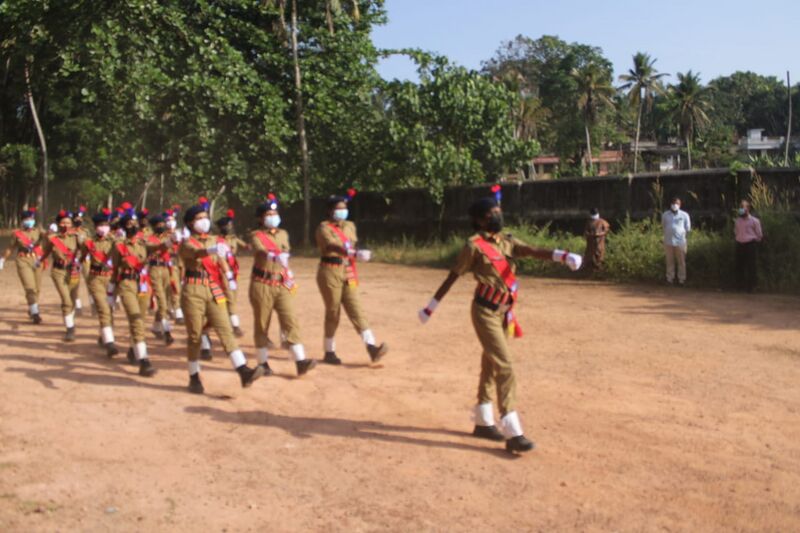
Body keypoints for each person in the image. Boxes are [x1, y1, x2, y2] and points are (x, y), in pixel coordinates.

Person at [418, 194, 582, 453]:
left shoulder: (505, 241)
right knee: (505, 365)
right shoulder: (473, 246)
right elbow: (453, 275)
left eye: (498, 210)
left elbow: (530, 251)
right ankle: (512, 430)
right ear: (480, 220)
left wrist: (561, 255)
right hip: (484, 312)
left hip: (503, 312)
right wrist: (432, 306)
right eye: (492, 212)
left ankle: (483, 421)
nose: (498, 215)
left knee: (491, 364)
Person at [178, 197, 263, 394]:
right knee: (194, 337)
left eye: (205, 217)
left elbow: (221, 260)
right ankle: (194, 377)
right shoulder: (186, 243)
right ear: (190, 222)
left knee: (225, 329)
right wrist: (212, 249)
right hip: (193, 290)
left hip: (213, 288)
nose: (204, 221)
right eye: (199, 218)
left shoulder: (216, 240)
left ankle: (243, 371)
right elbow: (197, 253)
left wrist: (229, 275)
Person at [315, 189, 387, 365]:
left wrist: (357, 252)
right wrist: (352, 252)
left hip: (347, 269)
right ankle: (329, 351)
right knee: (333, 311)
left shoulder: (350, 226)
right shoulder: (323, 228)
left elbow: (351, 243)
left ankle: (371, 346)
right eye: (339, 208)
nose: (343, 211)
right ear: (330, 211)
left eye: (345, 208)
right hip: (329, 271)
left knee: (356, 308)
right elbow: (332, 245)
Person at [249, 194, 316, 377]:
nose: (273, 217)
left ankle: (300, 361)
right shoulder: (256, 235)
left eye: (275, 213)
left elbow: (286, 252)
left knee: (290, 320)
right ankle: (263, 363)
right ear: (261, 218)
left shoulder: (284, 234)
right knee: (262, 324)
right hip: (262, 283)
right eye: (269, 214)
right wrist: (273, 255)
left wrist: (287, 269)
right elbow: (260, 250)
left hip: (281, 282)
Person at [108, 206, 159, 377]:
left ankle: (133, 349)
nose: (133, 226)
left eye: (135, 223)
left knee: (141, 320)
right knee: (136, 319)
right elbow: (115, 268)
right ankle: (144, 361)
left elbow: (158, 249)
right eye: (129, 223)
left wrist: (170, 242)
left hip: (143, 284)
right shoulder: (118, 245)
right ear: (124, 226)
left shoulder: (144, 242)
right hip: (126, 283)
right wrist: (111, 291)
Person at [81, 208, 120, 358]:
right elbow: (83, 257)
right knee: (103, 308)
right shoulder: (88, 242)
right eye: (101, 224)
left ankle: (103, 334)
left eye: (106, 224)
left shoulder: (115, 241)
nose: (104, 227)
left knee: (109, 309)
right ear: (95, 227)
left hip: (111, 278)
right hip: (95, 278)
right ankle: (110, 343)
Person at [41, 210, 83, 341]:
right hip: (58, 271)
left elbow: (85, 250)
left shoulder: (76, 237)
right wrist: (39, 261)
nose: (66, 225)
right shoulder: (52, 239)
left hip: (73, 272)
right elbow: (46, 251)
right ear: (58, 224)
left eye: (68, 222)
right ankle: (70, 329)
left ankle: (70, 319)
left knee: (72, 299)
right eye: (63, 222)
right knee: (66, 300)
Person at [0, 206, 45, 324]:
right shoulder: (17, 234)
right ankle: (35, 313)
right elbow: (10, 248)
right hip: (23, 260)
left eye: (31, 218)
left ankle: (32, 307)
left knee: (37, 288)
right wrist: (3, 260)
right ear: (23, 220)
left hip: (37, 260)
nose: (30, 220)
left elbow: (49, 239)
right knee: (29, 286)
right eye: (27, 219)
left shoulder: (38, 231)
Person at [216, 209, 248, 337]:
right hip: (222, 271)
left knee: (233, 297)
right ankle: (235, 326)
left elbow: (245, 246)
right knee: (229, 297)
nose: (229, 228)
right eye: (226, 226)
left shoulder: (233, 238)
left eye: (230, 225)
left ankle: (224, 320)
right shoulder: (217, 240)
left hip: (233, 270)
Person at [146, 213, 176, 346]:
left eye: (162, 224)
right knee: (162, 301)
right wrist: (169, 243)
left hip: (167, 269)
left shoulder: (168, 237)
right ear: (153, 227)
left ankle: (156, 327)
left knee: (168, 300)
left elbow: (175, 250)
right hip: (155, 269)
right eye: (158, 225)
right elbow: (155, 248)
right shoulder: (149, 239)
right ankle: (167, 332)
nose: (161, 226)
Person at [734, 200, 763, 292]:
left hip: (750, 244)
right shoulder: (737, 221)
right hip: (740, 244)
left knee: (751, 266)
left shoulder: (755, 221)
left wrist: (753, 241)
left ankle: (752, 287)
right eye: (740, 207)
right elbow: (736, 232)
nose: (741, 209)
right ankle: (739, 286)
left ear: (748, 209)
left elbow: (759, 234)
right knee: (739, 266)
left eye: (743, 207)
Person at [661, 197, 691, 286]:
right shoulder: (665, 215)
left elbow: (687, 228)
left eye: (677, 203)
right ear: (670, 204)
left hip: (680, 242)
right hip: (668, 241)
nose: (675, 205)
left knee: (681, 261)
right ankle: (670, 279)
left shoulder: (684, 215)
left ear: (680, 205)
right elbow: (664, 226)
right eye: (673, 203)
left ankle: (682, 280)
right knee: (669, 261)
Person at [72, 206, 89, 316]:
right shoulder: (69, 232)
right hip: (74, 260)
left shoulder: (86, 231)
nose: (79, 220)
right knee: (75, 283)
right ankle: (77, 306)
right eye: (77, 218)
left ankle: (93, 304)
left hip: (86, 259)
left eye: (80, 218)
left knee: (90, 281)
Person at [581, 208, 610, 273]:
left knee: (599, 258)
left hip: (599, 244)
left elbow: (606, 231)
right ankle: (589, 273)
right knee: (589, 259)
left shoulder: (602, 222)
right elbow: (585, 232)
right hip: (590, 245)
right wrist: (588, 235)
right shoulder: (589, 222)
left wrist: (599, 234)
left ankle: (600, 273)